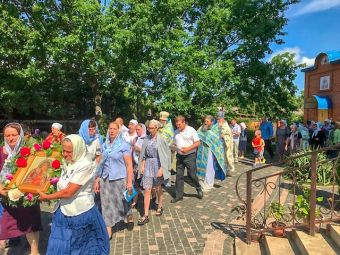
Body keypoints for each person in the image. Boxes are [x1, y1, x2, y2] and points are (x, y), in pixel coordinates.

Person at [38, 134, 109, 255]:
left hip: (81, 214)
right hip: (63, 212)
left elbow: (69, 192)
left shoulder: (85, 165)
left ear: (78, 149)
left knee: (80, 247)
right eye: (63, 150)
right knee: (58, 246)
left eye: (69, 151)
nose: (65, 154)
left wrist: (47, 197)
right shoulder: (67, 162)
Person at [0, 123, 41, 255]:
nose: (10, 138)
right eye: (7, 135)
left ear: (20, 135)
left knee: (31, 224)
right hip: (7, 196)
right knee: (5, 224)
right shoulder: (1, 151)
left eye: (14, 135)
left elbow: (37, 171)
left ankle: (34, 252)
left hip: (26, 194)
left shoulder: (28, 151)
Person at [94, 122, 134, 236]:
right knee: (106, 204)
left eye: (114, 129)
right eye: (110, 128)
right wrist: (97, 179)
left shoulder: (124, 145)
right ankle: (108, 228)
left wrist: (129, 182)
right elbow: (100, 164)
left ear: (118, 131)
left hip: (120, 178)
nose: (111, 131)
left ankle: (128, 215)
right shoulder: (104, 145)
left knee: (123, 201)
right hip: (105, 178)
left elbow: (129, 165)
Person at [137, 120, 171, 225]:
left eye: (151, 128)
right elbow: (144, 154)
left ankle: (160, 205)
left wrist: (162, 169)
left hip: (158, 164)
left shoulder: (162, 139)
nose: (149, 130)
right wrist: (142, 165)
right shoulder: (146, 139)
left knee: (158, 188)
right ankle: (145, 215)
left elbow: (167, 155)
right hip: (148, 165)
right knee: (147, 189)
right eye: (148, 128)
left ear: (157, 128)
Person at [171, 115, 203, 203]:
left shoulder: (191, 130)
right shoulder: (176, 132)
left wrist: (187, 149)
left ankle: (198, 188)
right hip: (180, 156)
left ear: (184, 122)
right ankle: (179, 195)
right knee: (179, 176)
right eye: (177, 125)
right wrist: (173, 148)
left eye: (179, 124)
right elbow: (174, 144)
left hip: (190, 156)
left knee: (192, 175)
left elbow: (197, 143)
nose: (178, 126)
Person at [196, 115, 226, 190]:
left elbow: (217, 141)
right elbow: (196, 135)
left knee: (209, 167)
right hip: (201, 149)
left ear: (212, 122)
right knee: (200, 165)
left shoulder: (215, 129)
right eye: (205, 121)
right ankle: (202, 181)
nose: (205, 123)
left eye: (207, 121)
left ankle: (209, 183)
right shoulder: (201, 127)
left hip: (210, 151)